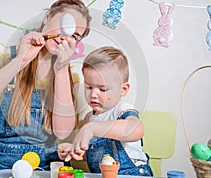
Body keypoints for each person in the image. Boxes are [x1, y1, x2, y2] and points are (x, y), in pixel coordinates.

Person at [0, 0, 92, 175]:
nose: (65, 37)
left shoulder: (69, 73)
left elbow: (62, 132)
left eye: (74, 36)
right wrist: (19, 62)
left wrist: (61, 69)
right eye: (65, 24)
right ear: (47, 16)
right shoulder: (0, 54)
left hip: (43, 165)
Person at [58, 46, 153, 176]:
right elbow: (94, 154)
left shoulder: (122, 110)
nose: (93, 94)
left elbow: (135, 129)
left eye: (102, 89)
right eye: (89, 87)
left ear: (123, 89)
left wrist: (91, 128)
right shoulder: (89, 118)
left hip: (131, 174)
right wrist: (76, 149)